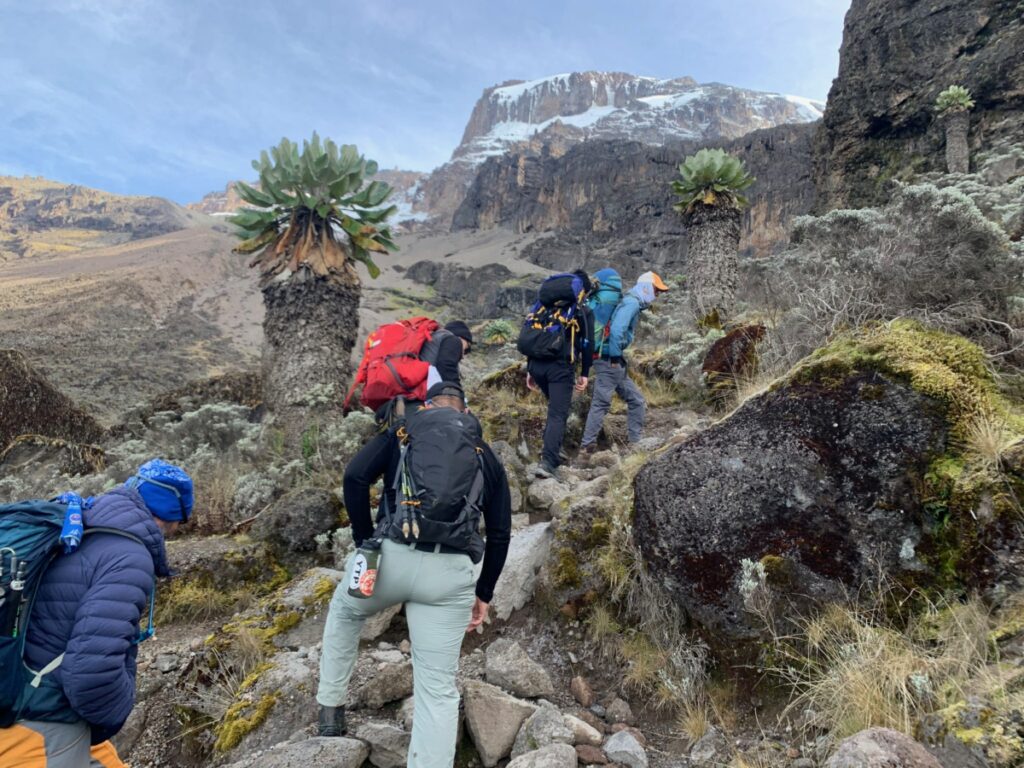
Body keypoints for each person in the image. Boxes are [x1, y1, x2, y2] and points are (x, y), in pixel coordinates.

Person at [319, 382, 512, 768]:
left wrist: (365, 540)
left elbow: (355, 477)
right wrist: (484, 591)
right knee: (437, 690)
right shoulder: (484, 454)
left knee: (346, 612)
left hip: (391, 559)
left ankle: (330, 711)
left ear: (425, 406)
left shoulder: (403, 431)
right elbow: (501, 531)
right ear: (466, 411)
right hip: (450, 577)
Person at [0, 459, 192, 768]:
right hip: (43, 720)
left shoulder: (77, 524)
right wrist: (117, 711)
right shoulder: (129, 557)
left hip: (12, 694)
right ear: (172, 517)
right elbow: (90, 675)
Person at [580, 271, 670, 454]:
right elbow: (617, 330)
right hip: (608, 360)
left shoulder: (630, 301)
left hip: (612, 361)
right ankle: (586, 448)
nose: (657, 294)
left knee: (636, 400)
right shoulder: (632, 302)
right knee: (601, 403)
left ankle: (634, 443)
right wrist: (614, 357)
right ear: (645, 287)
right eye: (656, 290)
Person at [524, 271, 595, 478]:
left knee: (555, 408)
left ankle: (553, 449)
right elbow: (587, 344)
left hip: (537, 366)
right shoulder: (581, 311)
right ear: (583, 290)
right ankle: (548, 463)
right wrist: (584, 373)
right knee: (558, 413)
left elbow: (533, 336)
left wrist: (530, 370)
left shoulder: (543, 308)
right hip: (559, 368)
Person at [420, 320, 473, 390]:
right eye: (467, 349)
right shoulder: (453, 340)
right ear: (461, 338)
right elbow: (447, 367)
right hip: (426, 390)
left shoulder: (435, 337)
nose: (463, 356)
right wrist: (457, 392)